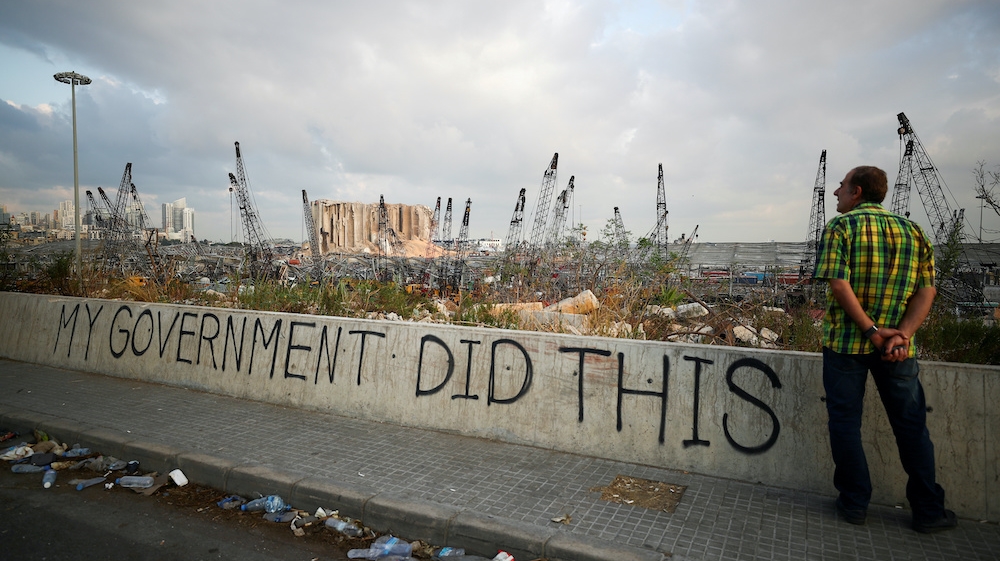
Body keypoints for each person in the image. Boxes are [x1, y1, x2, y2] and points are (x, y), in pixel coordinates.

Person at [813, 165, 956, 533]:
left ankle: (854, 503)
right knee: (911, 426)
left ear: (856, 191)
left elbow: (839, 285)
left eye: (841, 187)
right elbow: (927, 290)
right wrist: (902, 335)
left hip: (847, 344)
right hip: (898, 351)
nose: (835, 193)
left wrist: (873, 331)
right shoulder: (914, 231)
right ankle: (928, 510)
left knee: (845, 423)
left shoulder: (841, 228)